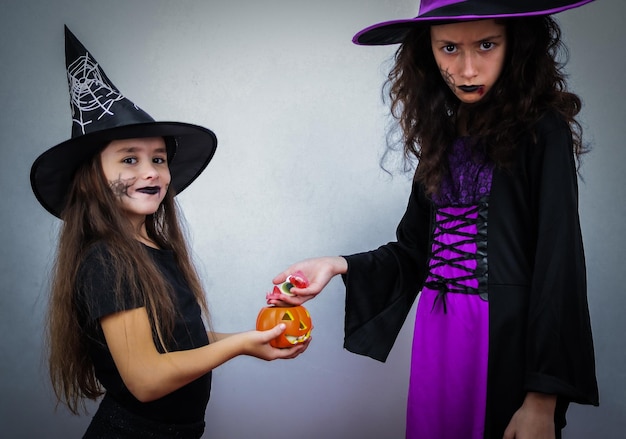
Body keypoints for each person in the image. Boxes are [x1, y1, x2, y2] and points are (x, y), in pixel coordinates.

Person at [270, 1, 599, 438]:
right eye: (448, 48)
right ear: (427, 51)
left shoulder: (544, 131)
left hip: (504, 340)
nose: (466, 69)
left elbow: (560, 264)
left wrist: (542, 398)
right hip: (439, 335)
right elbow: (414, 252)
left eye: (486, 45)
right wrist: (335, 264)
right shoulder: (441, 136)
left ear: (516, 44)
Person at [30, 27, 308, 439]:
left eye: (158, 159)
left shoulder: (153, 247)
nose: (151, 171)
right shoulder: (106, 261)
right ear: (90, 178)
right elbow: (145, 379)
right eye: (129, 159)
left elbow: (177, 340)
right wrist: (240, 346)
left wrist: (253, 339)